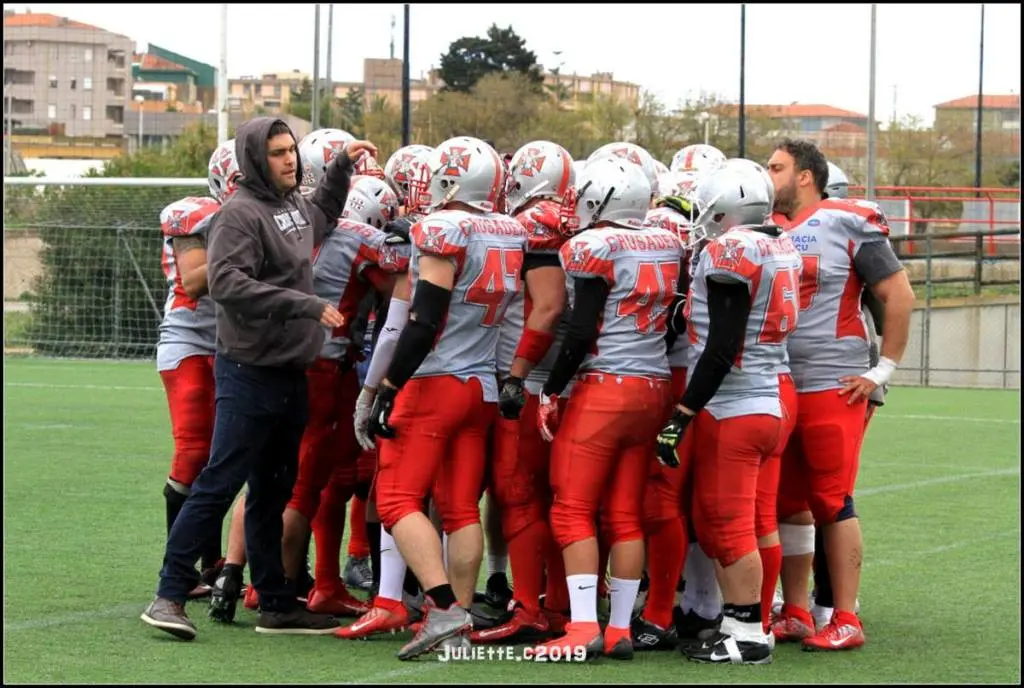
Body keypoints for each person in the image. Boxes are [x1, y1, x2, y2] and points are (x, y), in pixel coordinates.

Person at [140, 116, 376, 641]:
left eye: (291, 150)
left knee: (273, 490)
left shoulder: (288, 204)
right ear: (253, 160)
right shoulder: (240, 214)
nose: (289, 159)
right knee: (219, 483)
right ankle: (169, 594)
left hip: (289, 371)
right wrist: (305, 305)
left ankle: (275, 601)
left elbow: (320, 218)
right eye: (276, 152)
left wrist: (339, 167)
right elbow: (225, 283)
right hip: (250, 370)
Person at [367, 136, 526, 660]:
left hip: (436, 379)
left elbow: (424, 319)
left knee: (395, 499)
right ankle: (456, 615)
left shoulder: (443, 229)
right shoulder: (509, 229)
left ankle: (442, 609)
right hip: (480, 383)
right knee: (460, 508)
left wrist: (388, 385)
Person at [766, 138, 914, 651]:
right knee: (789, 502)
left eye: (777, 167)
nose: (770, 176)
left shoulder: (848, 220)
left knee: (831, 498)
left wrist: (883, 371)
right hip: (782, 380)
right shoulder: (769, 226)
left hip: (835, 381)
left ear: (806, 176)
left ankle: (846, 617)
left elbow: (899, 294)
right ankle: (799, 610)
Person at [532, 157, 680, 661]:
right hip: (654, 385)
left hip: (606, 389)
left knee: (572, 509)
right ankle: (618, 629)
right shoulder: (666, 240)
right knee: (625, 514)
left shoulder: (594, 247)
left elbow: (581, 330)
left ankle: (581, 626)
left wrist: (551, 388)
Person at [655, 162, 802, 665]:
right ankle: (747, 622)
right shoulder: (779, 242)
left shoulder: (730, 250)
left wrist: (681, 414)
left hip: (738, 401)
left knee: (727, 520)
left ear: (724, 209)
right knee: (751, 519)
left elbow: (721, 347)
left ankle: (746, 632)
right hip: (774, 391)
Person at [473, 140, 577, 644]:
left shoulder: (536, 222)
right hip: (568, 378)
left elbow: (548, 305)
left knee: (519, 496)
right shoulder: (572, 217)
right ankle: (557, 606)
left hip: (533, 380)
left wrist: (516, 372)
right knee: (559, 500)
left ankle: (530, 606)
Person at [154, 140, 239, 600]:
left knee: (221, 459)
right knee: (193, 452)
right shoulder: (196, 214)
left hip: (235, 346)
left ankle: (212, 562)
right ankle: (178, 566)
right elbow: (193, 279)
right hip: (189, 342)